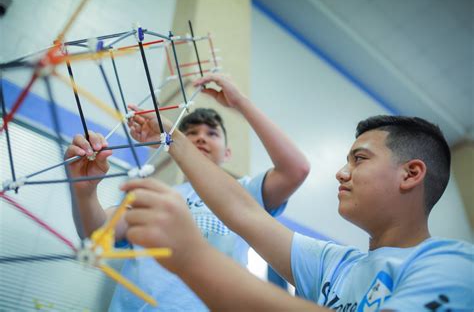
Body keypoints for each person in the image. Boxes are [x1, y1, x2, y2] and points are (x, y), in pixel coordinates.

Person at [124, 114, 473, 310]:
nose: (341, 172)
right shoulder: (333, 264)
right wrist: (170, 138)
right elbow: (243, 212)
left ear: (411, 174)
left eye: (360, 159)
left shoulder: (455, 265)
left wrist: (192, 257)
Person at [65, 74, 310, 311]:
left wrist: (241, 103)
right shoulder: (160, 195)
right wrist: (85, 193)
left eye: (212, 133)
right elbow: (97, 233)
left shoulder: (244, 194)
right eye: (191, 133)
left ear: (227, 153)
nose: (201, 138)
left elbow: (295, 170)